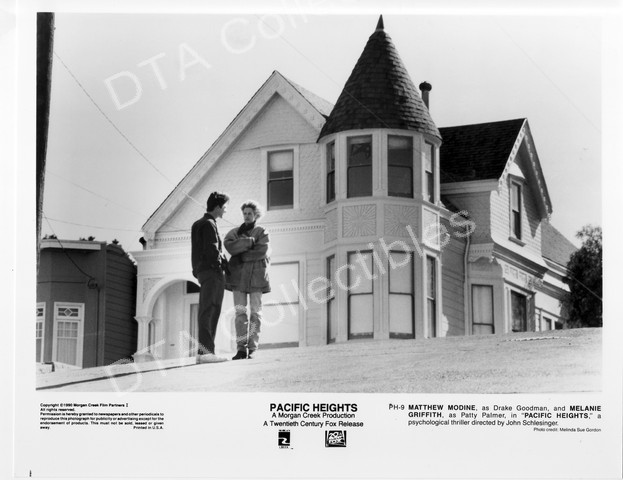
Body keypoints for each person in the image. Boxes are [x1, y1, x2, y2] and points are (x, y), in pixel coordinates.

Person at [224, 200, 271, 360]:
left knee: (256, 313)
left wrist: (242, 254)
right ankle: (241, 349)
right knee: (240, 313)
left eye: (250, 213)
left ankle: (252, 348)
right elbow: (229, 246)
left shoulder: (262, 231)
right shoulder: (234, 232)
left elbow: (263, 251)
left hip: (257, 278)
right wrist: (249, 242)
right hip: (238, 279)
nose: (247, 216)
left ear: (256, 215)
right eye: (244, 213)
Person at [191, 191, 230, 363]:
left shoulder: (198, 223)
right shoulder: (209, 224)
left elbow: (196, 252)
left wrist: (197, 271)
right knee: (211, 310)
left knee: (206, 310)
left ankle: (202, 353)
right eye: (225, 206)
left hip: (202, 272)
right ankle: (207, 352)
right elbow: (213, 250)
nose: (226, 210)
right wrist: (223, 267)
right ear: (218, 207)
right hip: (213, 272)